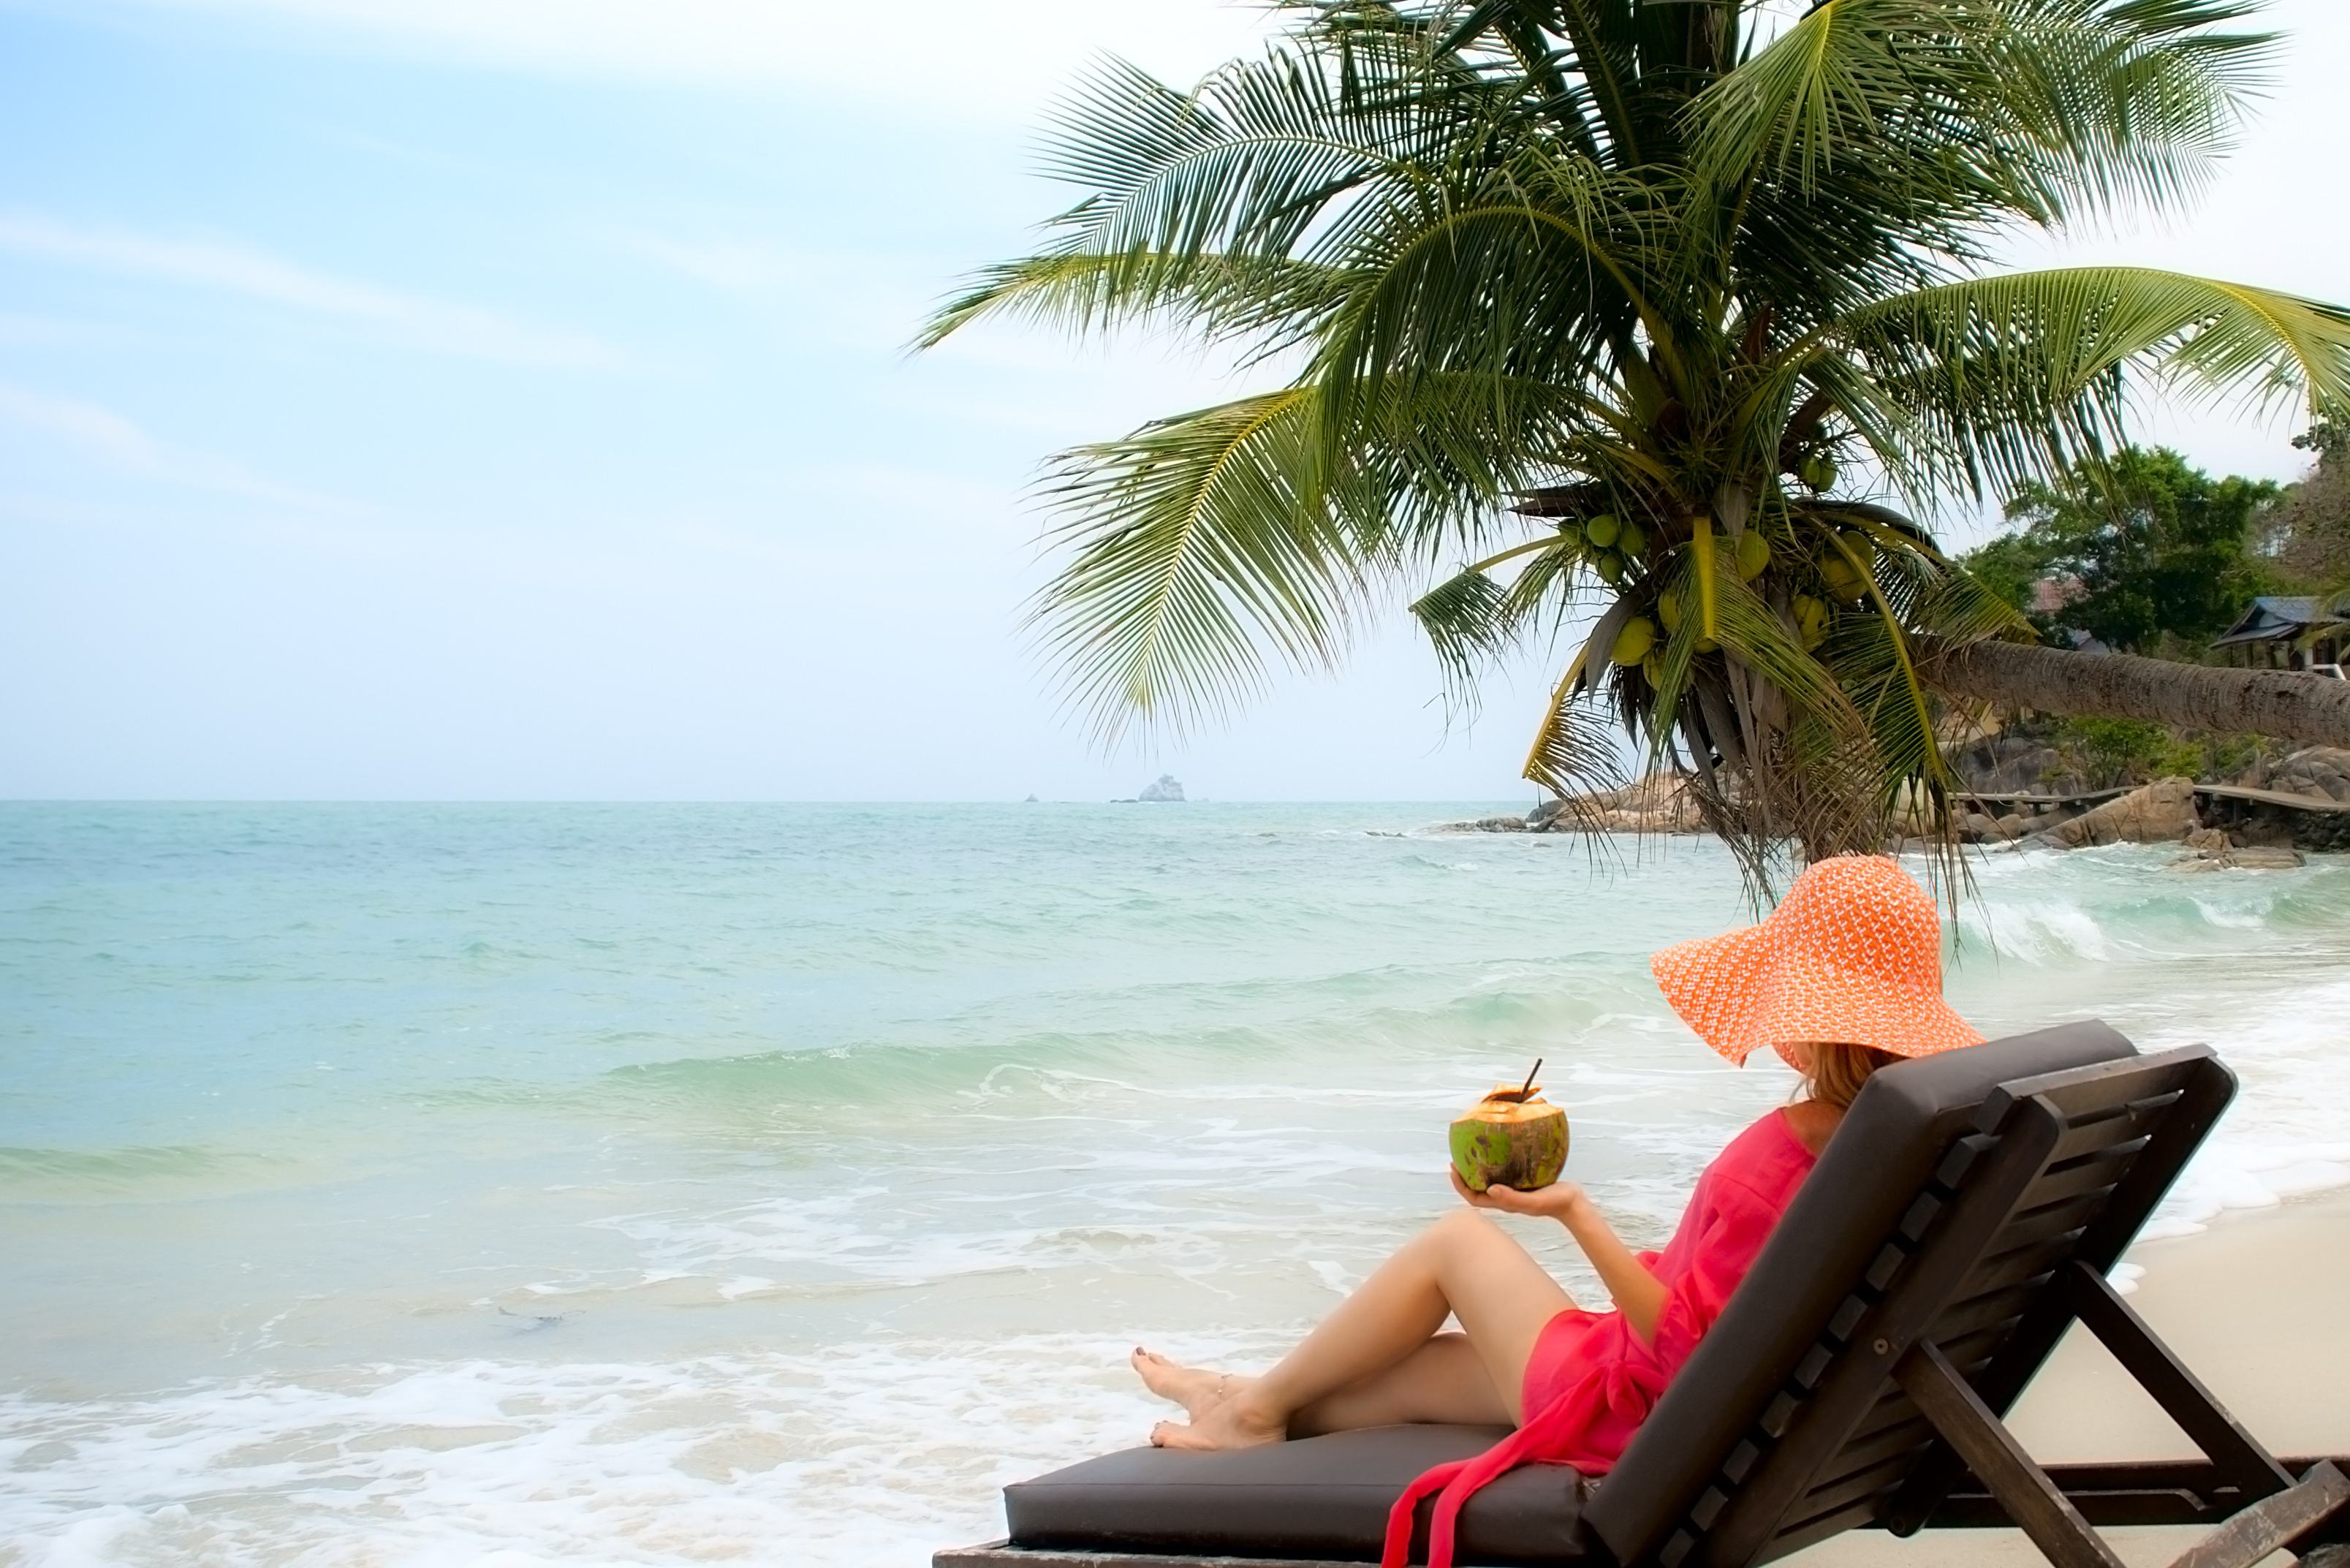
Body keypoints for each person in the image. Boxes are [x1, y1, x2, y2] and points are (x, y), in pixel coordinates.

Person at [1128, 854, 1986, 1568]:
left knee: (1454, 1241)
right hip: (1746, 1417)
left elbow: (1688, 1351)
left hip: (1642, 1415)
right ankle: (1239, 1397)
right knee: (1413, 1374)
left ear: (1807, 1012)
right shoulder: (1911, 1139)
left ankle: (1248, 1416)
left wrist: (1573, 1213)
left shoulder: (1777, 1158)